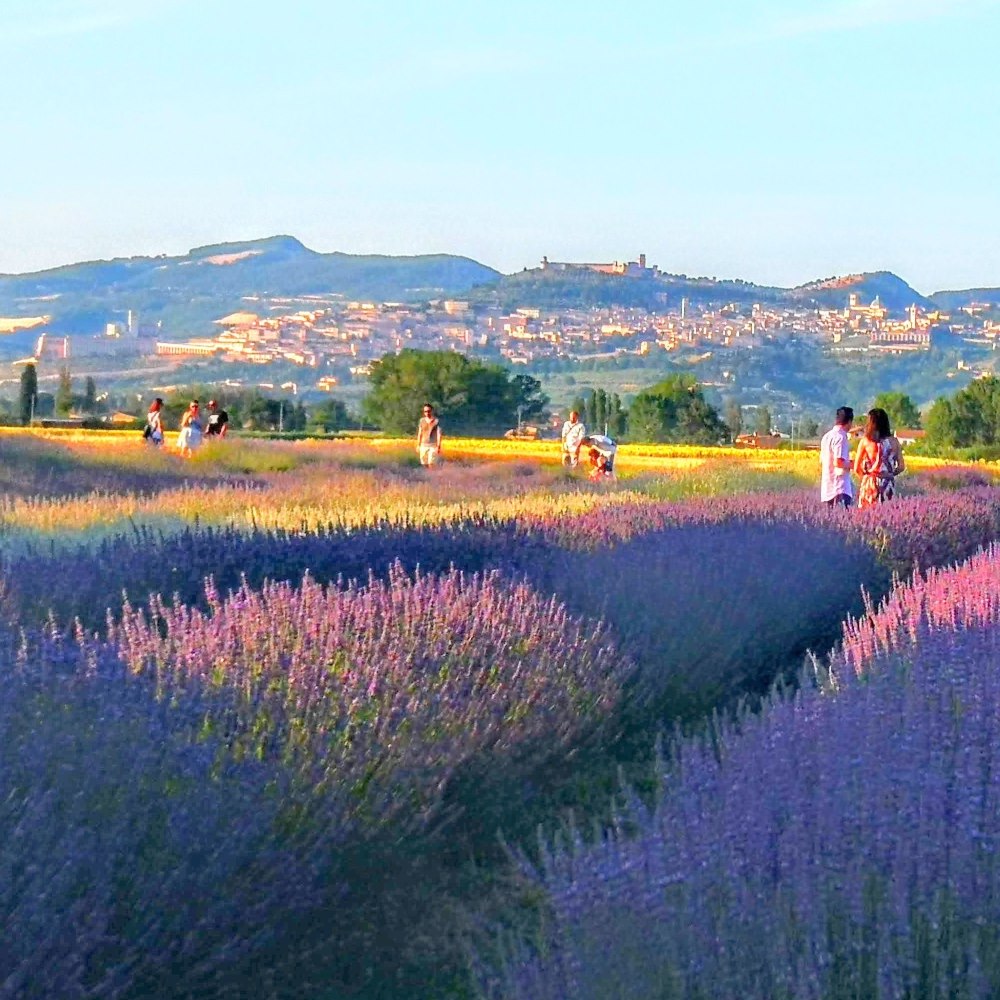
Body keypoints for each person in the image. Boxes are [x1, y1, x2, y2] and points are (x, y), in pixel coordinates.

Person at [854, 407, 905, 508]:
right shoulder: (894, 441)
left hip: (870, 482)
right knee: (887, 513)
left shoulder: (865, 441)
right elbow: (901, 467)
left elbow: (856, 468)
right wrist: (890, 474)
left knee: (867, 515)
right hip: (888, 482)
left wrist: (865, 477)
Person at [820, 405, 854, 507]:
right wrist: (855, 464)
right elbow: (838, 462)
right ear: (849, 422)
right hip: (839, 488)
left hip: (827, 488)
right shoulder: (841, 437)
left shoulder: (826, 436)